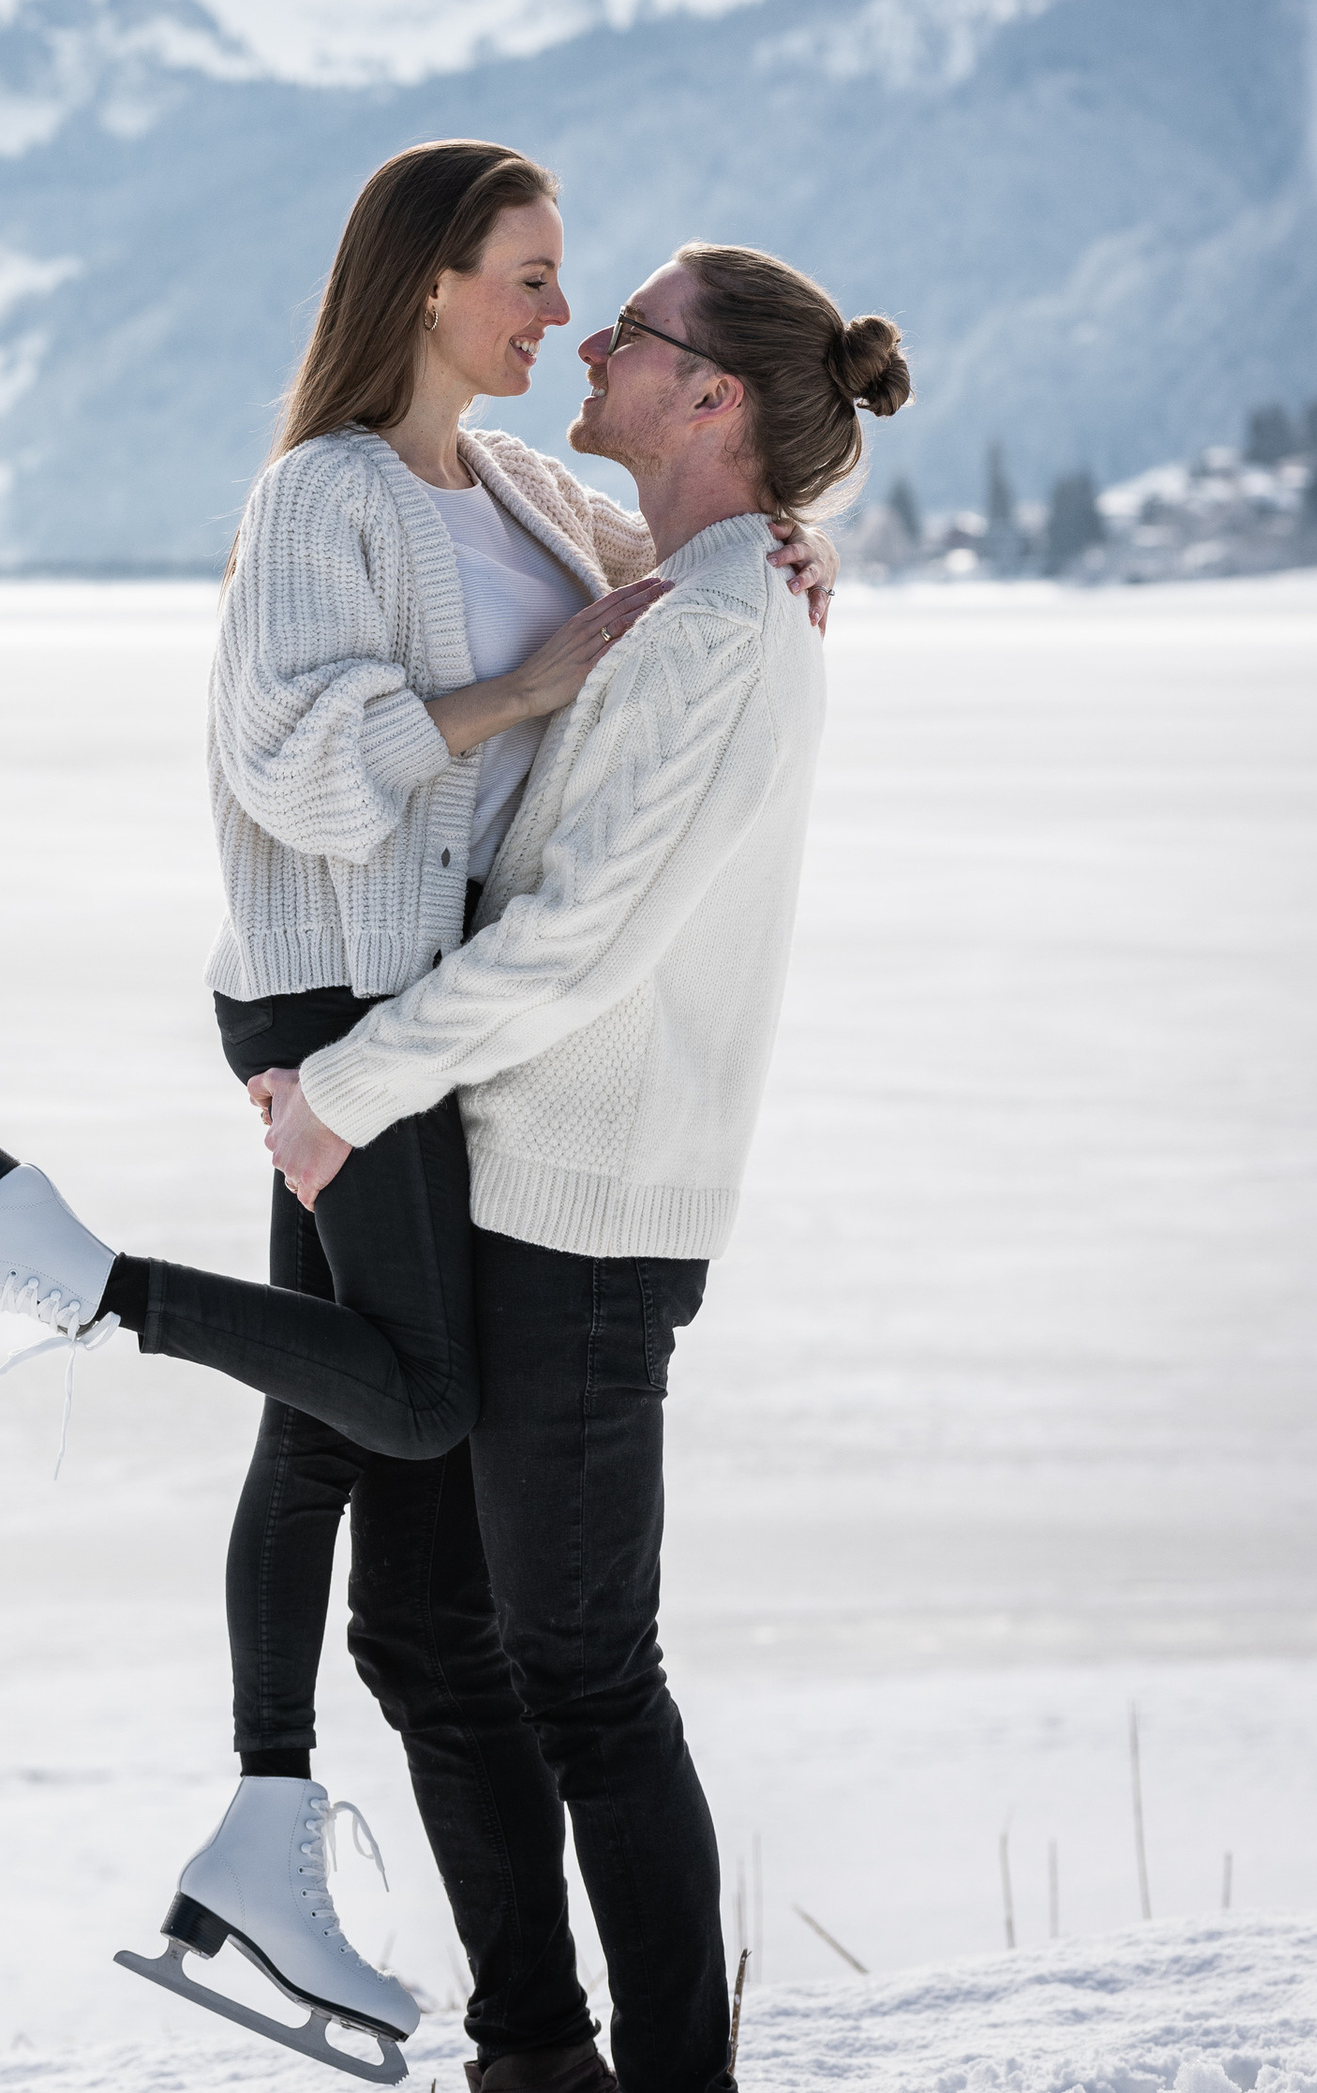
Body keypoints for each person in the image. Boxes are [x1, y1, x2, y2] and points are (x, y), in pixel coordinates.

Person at [0, 143, 841, 2083]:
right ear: (429, 283)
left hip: (436, 1050)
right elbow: (299, 762)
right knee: (418, 1464)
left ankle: (298, 1861)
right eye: (537, 281)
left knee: (409, 1496)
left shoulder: (532, 489)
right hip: (348, 1004)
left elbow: (670, 623)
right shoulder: (327, 493)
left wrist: (775, 542)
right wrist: (520, 692)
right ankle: (68, 1273)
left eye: (599, 305)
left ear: (701, 389)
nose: (569, 319)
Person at [253, 241, 912, 2093]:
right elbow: (505, 503)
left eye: (631, 328)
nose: (596, 345)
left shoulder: (719, 624)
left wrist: (346, 1092)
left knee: (582, 1672)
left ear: (710, 398)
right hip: (515, 1185)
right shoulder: (692, 581)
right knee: (430, 1631)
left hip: (586, 1217)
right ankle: (536, 2054)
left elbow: (578, 938)